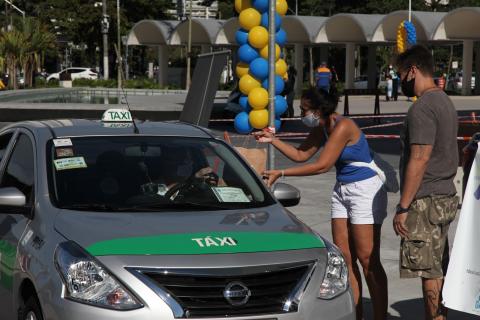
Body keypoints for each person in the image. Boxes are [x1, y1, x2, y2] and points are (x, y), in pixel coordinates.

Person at [254, 88, 388, 320]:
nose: (300, 114)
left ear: (318, 110)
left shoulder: (343, 126)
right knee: (346, 258)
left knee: (368, 259)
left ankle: (379, 316)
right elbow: (301, 155)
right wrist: (272, 140)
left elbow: (322, 165)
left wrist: (282, 172)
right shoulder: (321, 127)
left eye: (304, 110)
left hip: (364, 190)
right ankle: (356, 314)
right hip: (342, 189)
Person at [394, 45, 459, 320]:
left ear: (413, 70)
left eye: (400, 75)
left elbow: (419, 158)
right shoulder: (445, 101)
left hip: (426, 200)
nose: (401, 82)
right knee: (438, 266)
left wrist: (403, 206)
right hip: (445, 197)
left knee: (428, 271)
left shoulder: (422, 108)